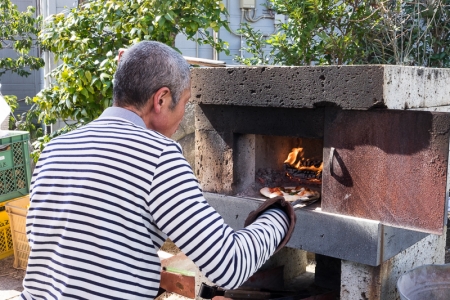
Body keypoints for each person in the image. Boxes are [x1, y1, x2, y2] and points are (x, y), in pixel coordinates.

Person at [21, 41, 295, 300]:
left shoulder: (55, 148)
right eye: (186, 102)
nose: (184, 114)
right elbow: (229, 265)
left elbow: (67, 249)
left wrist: (138, 271)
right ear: (161, 99)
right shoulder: (158, 155)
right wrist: (280, 215)